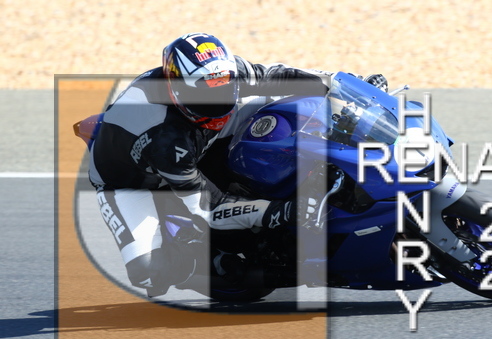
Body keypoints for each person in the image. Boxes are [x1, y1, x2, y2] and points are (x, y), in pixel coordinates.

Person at [84, 32, 388, 297]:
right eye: (205, 95)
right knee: (148, 271)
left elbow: (280, 76)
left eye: (224, 88)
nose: (219, 100)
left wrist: (350, 89)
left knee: (292, 106)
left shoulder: (226, 73)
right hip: (134, 183)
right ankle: (201, 257)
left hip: (200, 136)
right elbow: (209, 205)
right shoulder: (165, 139)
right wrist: (279, 211)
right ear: (177, 90)